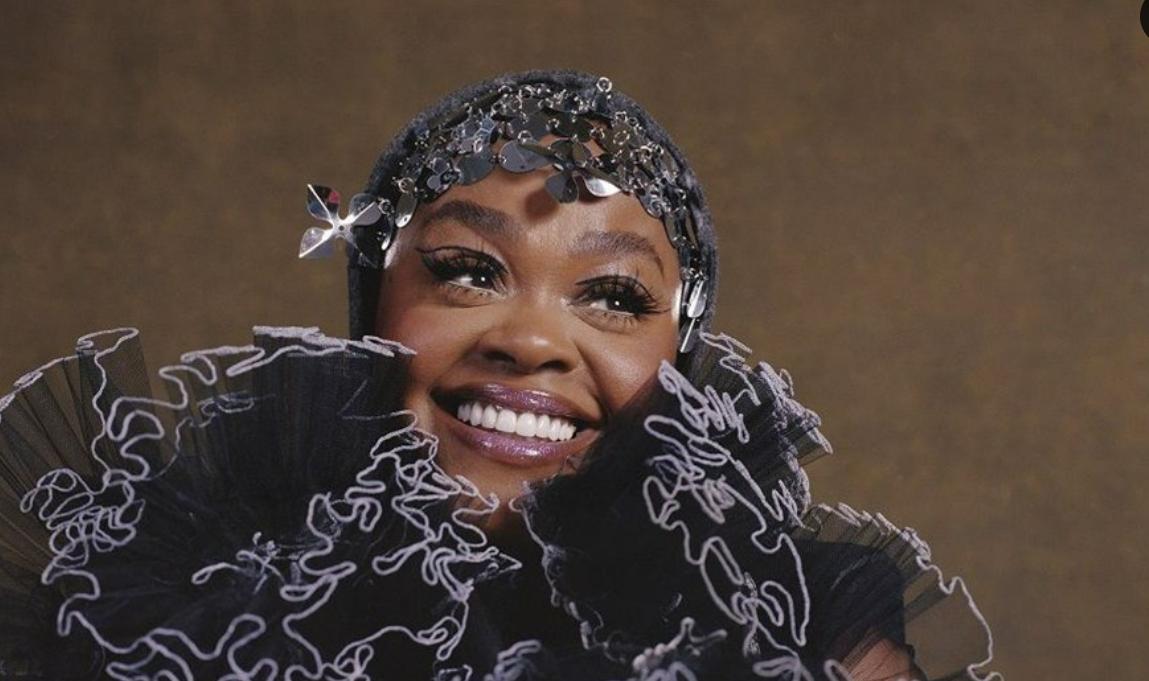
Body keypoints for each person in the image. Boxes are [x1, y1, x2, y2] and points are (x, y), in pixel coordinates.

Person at [0, 70, 999, 680]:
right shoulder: (172, 593)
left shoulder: (805, 618)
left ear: (680, 353)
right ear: (370, 307)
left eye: (613, 294)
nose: (528, 340)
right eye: (468, 271)